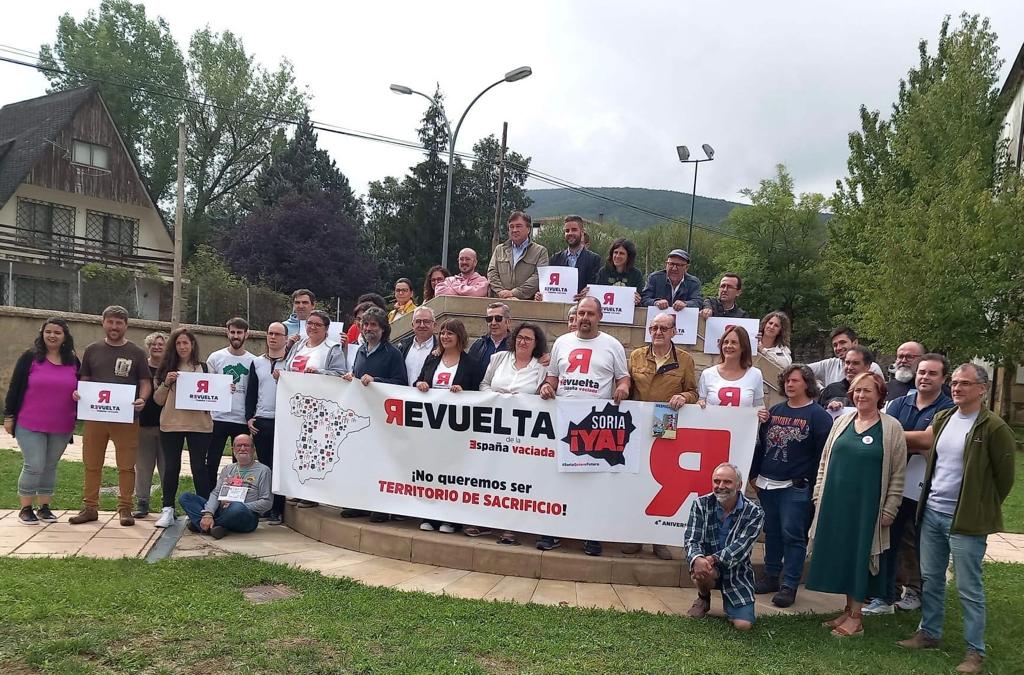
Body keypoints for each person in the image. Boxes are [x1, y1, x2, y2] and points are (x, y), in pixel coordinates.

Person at [898, 364, 1016, 674]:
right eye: (955, 383)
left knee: (968, 586)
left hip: (966, 521)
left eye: (965, 384)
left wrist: (979, 505)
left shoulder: (993, 427)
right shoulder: (944, 418)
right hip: (933, 512)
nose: (958, 388)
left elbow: (1004, 478)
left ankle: (974, 651)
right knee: (932, 579)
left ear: (982, 389)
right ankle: (929, 633)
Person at [806, 372, 906, 638]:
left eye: (867, 391)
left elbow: (898, 473)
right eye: (857, 390)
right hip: (836, 504)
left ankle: (857, 619)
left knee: (862, 556)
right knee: (844, 555)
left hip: (868, 508)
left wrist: (890, 508)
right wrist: (818, 494)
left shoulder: (892, 427)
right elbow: (825, 461)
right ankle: (848, 609)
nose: (861, 395)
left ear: (880, 395)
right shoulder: (842, 422)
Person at [863, 354, 954, 615]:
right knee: (889, 538)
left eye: (932, 373)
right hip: (895, 482)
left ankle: (917, 591)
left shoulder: (947, 408)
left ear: (943, 378)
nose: (925, 377)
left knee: (918, 542)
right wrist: (905, 439)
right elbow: (883, 433)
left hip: (926, 487)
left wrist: (897, 436)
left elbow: (927, 441)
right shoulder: (901, 403)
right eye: (922, 372)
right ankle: (886, 594)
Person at [539, 296, 630, 555]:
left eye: (590, 313)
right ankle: (552, 530)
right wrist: (547, 387)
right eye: (581, 313)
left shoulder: (612, 345)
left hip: (596, 423)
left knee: (592, 481)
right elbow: (553, 377)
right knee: (558, 477)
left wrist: (622, 389)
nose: (585, 318)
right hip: (563, 418)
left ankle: (592, 534)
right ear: (575, 315)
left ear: (599, 316)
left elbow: (623, 378)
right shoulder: (562, 343)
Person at [750, 364, 833, 607]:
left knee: (793, 535)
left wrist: (815, 486)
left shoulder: (819, 416)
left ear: (807, 383)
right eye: (786, 380)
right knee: (772, 533)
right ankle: (771, 576)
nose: (789, 384)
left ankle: (790, 584)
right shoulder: (775, 411)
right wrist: (755, 474)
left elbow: (822, 456)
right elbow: (761, 445)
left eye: (795, 380)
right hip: (768, 484)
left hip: (796, 487)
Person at [623, 312, 698, 559]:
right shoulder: (635, 356)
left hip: (665, 421)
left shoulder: (685, 360)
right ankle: (634, 536)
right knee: (635, 480)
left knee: (658, 483)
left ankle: (658, 539)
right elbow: (627, 384)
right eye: (654, 328)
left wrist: (684, 397)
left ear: (674, 332)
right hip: (636, 424)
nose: (658, 332)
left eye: (664, 328)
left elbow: (694, 392)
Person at [69, 306, 151, 527]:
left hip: (126, 417)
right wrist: (79, 392)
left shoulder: (136, 353)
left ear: (126, 325)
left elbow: (145, 381)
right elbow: (84, 379)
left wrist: (142, 398)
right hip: (96, 416)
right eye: (111, 322)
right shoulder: (92, 350)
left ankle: (125, 508)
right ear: (103, 322)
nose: (114, 326)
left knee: (126, 465)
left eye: (119, 323)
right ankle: (90, 507)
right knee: (92, 463)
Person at [475, 321, 548, 544]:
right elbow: (484, 384)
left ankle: (511, 526)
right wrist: (497, 399)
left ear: (536, 344)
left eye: (528, 339)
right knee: (490, 474)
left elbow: (540, 395)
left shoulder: (541, 366)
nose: (522, 342)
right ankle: (483, 521)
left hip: (522, 432)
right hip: (493, 427)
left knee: (515, 478)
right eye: (520, 337)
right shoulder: (498, 359)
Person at [4, 318, 79, 525]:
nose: (52, 336)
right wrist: (9, 415)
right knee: (34, 464)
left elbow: (83, 387)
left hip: (62, 424)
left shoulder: (73, 360)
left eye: (57, 332)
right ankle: (25, 508)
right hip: (30, 422)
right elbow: (14, 387)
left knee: (50, 465)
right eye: (48, 332)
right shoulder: (30, 357)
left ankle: (44, 507)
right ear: (42, 334)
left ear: (65, 337)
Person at [414, 318, 482, 534]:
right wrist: (420, 384)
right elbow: (418, 380)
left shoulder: (471, 363)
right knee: (432, 470)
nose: (445, 336)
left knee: (454, 473)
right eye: (442, 332)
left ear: (459, 336)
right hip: (432, 426)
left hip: (458, 429)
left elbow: (478, 393)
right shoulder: (432, 358)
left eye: (450, 333)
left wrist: (463, 391)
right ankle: (431, 515)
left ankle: (452, 518)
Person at [683, 463, 764, 631]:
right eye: (716, 481)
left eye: (727, 482)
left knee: (743, 625)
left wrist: (712, 558)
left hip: (737, 572)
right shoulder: (700, 504)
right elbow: (691, 539)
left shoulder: (755, 512)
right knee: (700, 569)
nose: (720, 486)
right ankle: (703, 598)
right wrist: (697, 559)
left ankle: (734, 605)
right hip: (708, 568)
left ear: (739, 485)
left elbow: (741, 547)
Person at [152, 328, 215, 528]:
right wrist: (166, 383)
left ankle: (204, 510)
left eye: (186, 343)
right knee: (171, 467)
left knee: (199, 468)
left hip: (200, 425)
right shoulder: (165, 369)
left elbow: (215, 397)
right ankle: (168, 509)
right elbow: (158, 400)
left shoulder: (204, 368)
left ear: (193, 345)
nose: (182, 347)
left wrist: (224, 391)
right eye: (178, 343)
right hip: (171, 424)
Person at [178, 434, 272, 539]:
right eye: (239, 446)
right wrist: (208, 514)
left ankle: (202, 525)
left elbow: (267, 502)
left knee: (236, 508)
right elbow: (216, 493)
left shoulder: (263, 470)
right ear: (233, 449)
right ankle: (214, 526)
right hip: (221, 510)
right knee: (186, 497)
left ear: (253, 449)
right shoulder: (227, 469)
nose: (242, 449)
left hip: (245, 515)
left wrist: (241, 505)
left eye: (246, 445)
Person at [245, 322, 289, 525]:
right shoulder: (257, 363)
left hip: (283, 420)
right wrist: (249, 417)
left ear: (286, 338)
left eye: (278, 334)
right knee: (264, 467)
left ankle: (278, 509)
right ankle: (265, 506)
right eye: (270, 333)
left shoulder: (291, 363)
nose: (273, 337)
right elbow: (251, 392)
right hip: (262, 420)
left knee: (279, 466)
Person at [205, 317, 255, 489]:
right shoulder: (215, 358)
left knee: (241, 463)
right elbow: (208, 386)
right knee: (211, 460)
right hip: (217, 417)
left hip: (241, 419)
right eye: (232, 332)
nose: (235, 336)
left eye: (239, 332)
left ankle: (235, 495)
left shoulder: (253, 361)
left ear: (246, 335)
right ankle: (210, 496)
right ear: (227, 333)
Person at [697, 325, 768, 419]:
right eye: (725, 342)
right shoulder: (707, 374)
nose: (728, 346)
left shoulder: (755, 374)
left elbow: (758, 406)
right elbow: (701, 403)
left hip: (742, 431)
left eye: (734, 342)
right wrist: (698, 405)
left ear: (743, 347)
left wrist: (763, 415)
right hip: (713, 430)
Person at [133, 331, 167, 518]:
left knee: (166, 467)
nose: (157, 347)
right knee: (143, 466)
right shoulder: (140, 368)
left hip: (166, 426)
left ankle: (167, 503)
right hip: (143, 424)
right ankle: (142, 502)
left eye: (160, 344)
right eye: (153, 344)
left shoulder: (170, 369)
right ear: (148, 346)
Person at [487, 210, 550, 300]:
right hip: (500, 302)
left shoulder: (540, 251)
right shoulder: (499, 249)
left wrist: (514, 293)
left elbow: (538, 277)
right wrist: (501, 292)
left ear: (528, 229)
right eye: (511, 227)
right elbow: (492, 273)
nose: (514, 230)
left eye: (518, 226)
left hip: (527, 305)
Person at [346, 307, 407, 387]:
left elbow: (401, 384)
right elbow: (356, 375)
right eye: (366, 324)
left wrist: (375, 381)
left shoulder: (394, 354)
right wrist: (350, 377)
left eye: (373, 324)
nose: (368, 328)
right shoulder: (360, 350)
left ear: (383, 328)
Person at [545, 215, 602, 296]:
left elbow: (595, 286)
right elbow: (549, 285)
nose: (570, 233)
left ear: (582, 232)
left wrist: (588, 292)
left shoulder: (594, 259)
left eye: (574, 230)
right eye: (567, 231)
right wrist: (542, 293)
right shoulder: (555, 258)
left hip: (583, 306)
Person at [807, 326, 884, 386]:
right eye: (835, 345)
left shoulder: (872, 368)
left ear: (855, 343)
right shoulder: (829, 365)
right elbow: (801, 371)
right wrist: (819, 387)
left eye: (842, 342)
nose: (838, 348)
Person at [284, 310, 348, 375]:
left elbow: (340, 374)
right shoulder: (297, 345)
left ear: (326, 328)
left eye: (318, 325)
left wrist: (319, 372)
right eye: (309, 323)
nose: (313, 327)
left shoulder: (333, 349)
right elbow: (286, 369)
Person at [818, 346, 874, 411]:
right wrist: (828, 408)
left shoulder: (876, 391)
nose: (849, 367)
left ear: (867, 367)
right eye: (847, 363)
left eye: (855, 363)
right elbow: (817, 416)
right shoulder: (831, 390)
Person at [593, 237, 644, 305]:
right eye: (615, 252)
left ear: (629, 256)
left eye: (622, 253)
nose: (617, 256)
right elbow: (597, 295)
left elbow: (640, 299)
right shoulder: (603, 272)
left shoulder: (636, 274)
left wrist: (638, 300)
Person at [397, 306, 438, 389]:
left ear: (434, 325)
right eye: (418, 321)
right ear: (412, 325)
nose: (422, 325)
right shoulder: (402, 347)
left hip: (428, 398)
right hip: (403, 398)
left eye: (426, 321)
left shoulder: (441, 349)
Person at [467, 302, 512, 375]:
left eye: (498, 318)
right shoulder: (478, 345)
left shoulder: (516, 346)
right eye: (489, 319)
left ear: (508, 322)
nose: (493, 323)